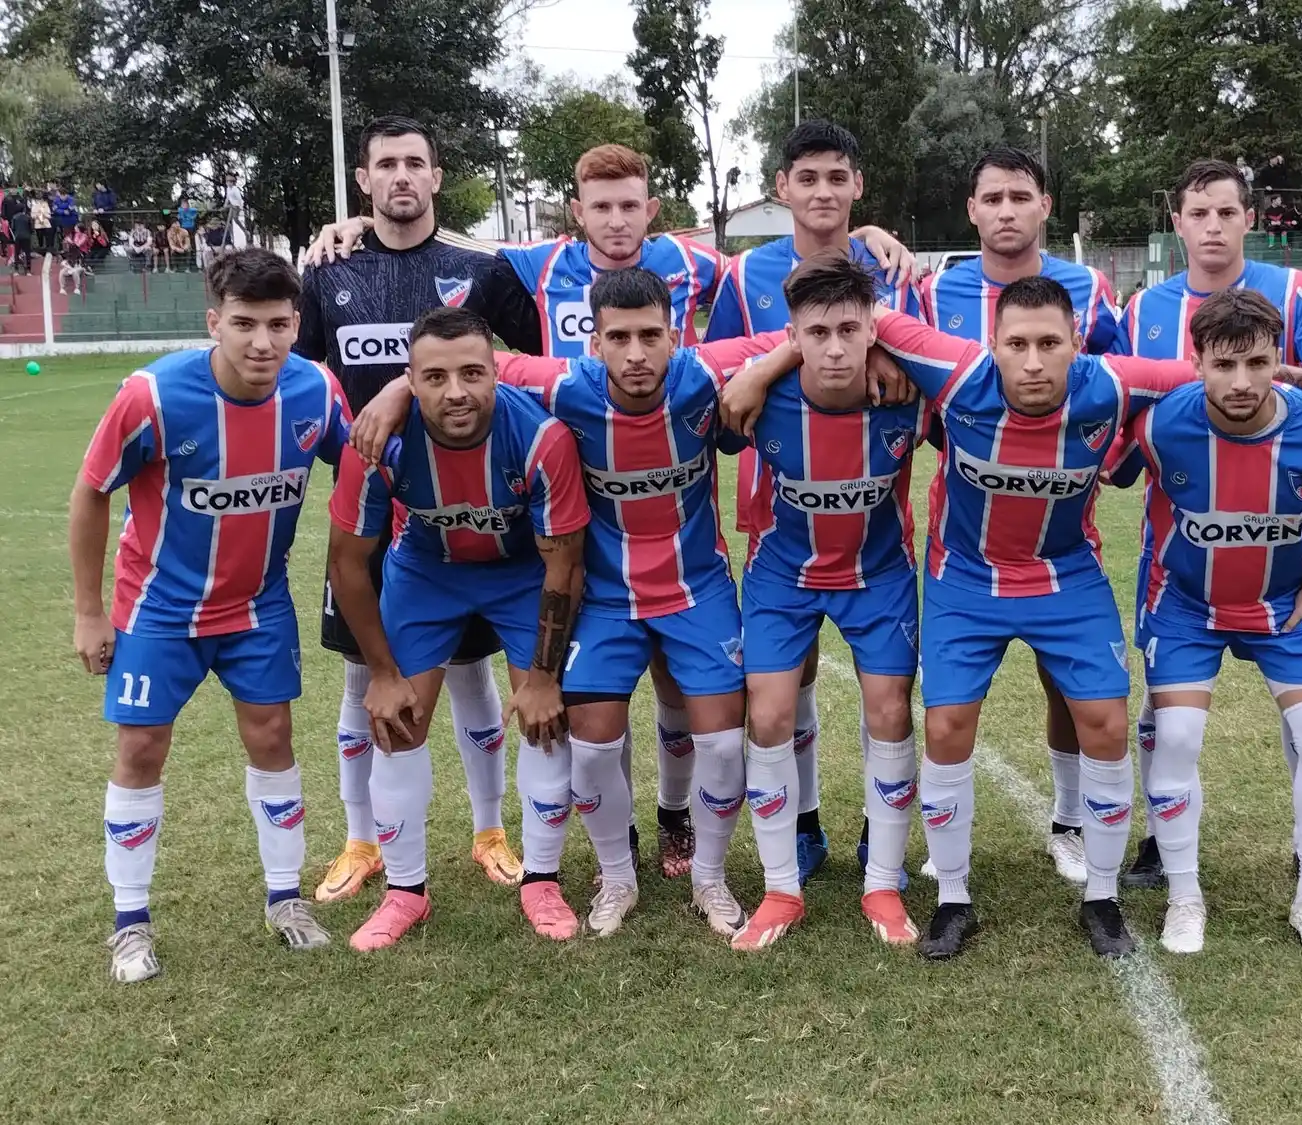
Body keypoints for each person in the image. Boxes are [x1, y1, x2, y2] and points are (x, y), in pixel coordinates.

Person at [864, 277, 1302, 961]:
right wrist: (865, 351)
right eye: (1016, 344)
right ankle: (952, 897)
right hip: (965, 580)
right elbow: (865, 313)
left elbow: (1219, 372)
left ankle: (1102, 897)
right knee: (946, 727)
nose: (1033, 361)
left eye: (1049, 343)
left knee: (1107, 723)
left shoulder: (1114, 384)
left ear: (1077, 344)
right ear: (991, 345)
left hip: (1066, 576)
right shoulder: (955, 371)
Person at [350, 271, 814, 940]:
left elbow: (810, 333)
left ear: (676, 336)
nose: (636, 353)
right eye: (618, 338)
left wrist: (766, 367)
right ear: (593, 344)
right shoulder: (565, 385)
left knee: (719, 744)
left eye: (650, 335)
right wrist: (398, 389)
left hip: (696, 588)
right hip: (603, 597)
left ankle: (709, 877)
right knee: (590, 751)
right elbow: (471, 367)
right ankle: (617, 875)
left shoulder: (705, 372)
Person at [69, 248, 352, 983]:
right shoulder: (154, 395)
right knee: (141, 748)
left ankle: (286, 900)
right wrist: (89, 612)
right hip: (159, 607)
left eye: (278, 324)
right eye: (244, 323)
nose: (262, 342)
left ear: (297, 324)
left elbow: (360, 464)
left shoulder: (315, 390)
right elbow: (92, 490)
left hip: (258, 604)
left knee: (273, 736)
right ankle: (130, 922)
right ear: (213, 323)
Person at [293, 115, 548, 904]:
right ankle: (361, 840)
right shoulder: (329, 269)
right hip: (370, 505)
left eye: (415, 163)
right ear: (363, 180)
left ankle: (489, 831)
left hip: (464, 508)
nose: (401, 176)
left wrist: (409, 387)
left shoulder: (478, 267)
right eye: (385, 164)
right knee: (362, 679)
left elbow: (533, 359)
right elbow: (301, 375)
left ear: (436, 177)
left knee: (471, 674)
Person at [1114, 158, 1302, 895]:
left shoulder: (1292, 291)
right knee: (1164, 707)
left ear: (1248, 218)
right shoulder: (1145, 308)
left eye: (1227, 212)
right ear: (1178, 222)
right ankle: (1161, 842)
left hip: (1275, 540)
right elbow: (1127, 393)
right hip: (1178, 543)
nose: (1214, 227)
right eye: (1199, 213)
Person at [704, 120, 925, 888]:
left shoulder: (891, 270)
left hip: (872, 516)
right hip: (780, 508)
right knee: (784, 683)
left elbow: (919, 356)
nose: (824, 191)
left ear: (858, 184)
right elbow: (728, 382)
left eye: (838, 177)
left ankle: (878, 835)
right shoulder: (744, 277)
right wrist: (773, 363)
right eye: (808, 178)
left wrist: (887, 347)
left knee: (886, 693)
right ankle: (801, 827)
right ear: (782, 187)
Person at [327, 305, 589, 951]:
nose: (456, 392)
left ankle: (543, 881)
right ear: (410, 381)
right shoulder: (379, 441)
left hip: (521, 573)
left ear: (497, 372)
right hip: (427, 571)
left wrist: (544, 678)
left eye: (472, 373)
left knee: (546, 718)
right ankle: (405, 893)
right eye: (435, 377)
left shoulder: (541, 439)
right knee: (397, 722)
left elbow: (564, 565)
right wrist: (382, 673)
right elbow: (347, 564)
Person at [920, 146, 1126, 887]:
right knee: (948, 707)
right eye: (992, 198)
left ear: (1045, 205)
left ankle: (1070, 822)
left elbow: (1120, 381)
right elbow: (895, 362)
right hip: (968, 530)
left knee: (1068, 686)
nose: (1007, 210)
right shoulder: (935, 289)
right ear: (972, 211)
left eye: (1020, 196)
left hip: (1062, 534)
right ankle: (942, 844)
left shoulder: (1090, 289)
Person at [58, 230, 87, 294]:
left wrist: (75, 267)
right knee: (61, 272)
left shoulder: (79, 253)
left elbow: (82, 264)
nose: (66, 245)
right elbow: (62, 263)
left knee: (75, 272)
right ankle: (62, 288)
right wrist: (66, 265)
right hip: (68, 268)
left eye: (67, 244)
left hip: (78, 268)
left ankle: (77, 288)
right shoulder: (64, 254)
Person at [10, 199, 34, 274]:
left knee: (17, 253)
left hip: (17, 237)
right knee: (27, 253)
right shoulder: (28, 217)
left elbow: (13, 228)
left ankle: (16, 270)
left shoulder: (14, 217)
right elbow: (31, 228)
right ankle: (28, 270)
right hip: (26, 236)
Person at [224, 172, 246, 246]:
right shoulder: (228, 189)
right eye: (227, 182)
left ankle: (245, 231)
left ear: (232, 183)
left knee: (235, 219)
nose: (228, 184)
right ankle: (229, 233)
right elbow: (227, 197)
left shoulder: (235, 189)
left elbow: (239, 199)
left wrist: (241, 207)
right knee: (226, 215)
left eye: (229, 182)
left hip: (237, 205)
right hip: (232, 205)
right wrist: (225, 204)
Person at [177, 195, 200, 267]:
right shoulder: (180, 209)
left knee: (191, 244)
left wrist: (190, 216)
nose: (184, 205)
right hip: (183, 229)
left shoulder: (192, 210)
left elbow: (195, 214)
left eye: (185, 204)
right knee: (184, 244)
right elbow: (179, 213)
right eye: (182, 204)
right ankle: (184, 261)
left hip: (191, 228)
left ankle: (193, 261)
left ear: (188, 204)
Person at [30, 191, 54, 256]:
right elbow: (32, 215)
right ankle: (41, 250)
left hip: (46, 224)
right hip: (38, 224)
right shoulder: (34, 206)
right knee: (40, 237)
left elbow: (49, 215)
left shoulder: (46, 205)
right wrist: (37, 215)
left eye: (41, 200)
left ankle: (48, 250)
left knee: (47, 237)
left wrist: (44, 215)